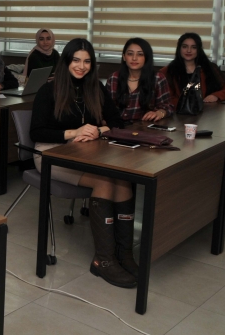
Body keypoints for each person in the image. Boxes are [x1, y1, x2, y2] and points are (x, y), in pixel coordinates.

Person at [30, 39, 136, 289]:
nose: (82, 66)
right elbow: (37, 132)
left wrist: (99, 131)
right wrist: (73, 132)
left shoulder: (95, 88)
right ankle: (103, 260)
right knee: (104, 181)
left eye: (87, 61)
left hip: (86, 153)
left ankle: (124, 254)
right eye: (76, 60)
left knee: (122, 179)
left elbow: (117, 123)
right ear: (66, 61)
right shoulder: (49, 90)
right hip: (50, 154)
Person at [107, 38, 173, 123]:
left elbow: (168, 107)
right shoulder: (113, 78)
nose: (134, 58)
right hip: (118, 127)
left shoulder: (158, 78)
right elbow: (105, 109)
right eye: (130, 54)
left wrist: (160, 113)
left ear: (146, 58)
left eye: (140, 54)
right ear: (124, 57)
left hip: (144, 128)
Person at [160, 32, 225, 106]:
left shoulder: (210, 68)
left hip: (208, 112)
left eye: (194, 47)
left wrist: (215, 95)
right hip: (179, 113)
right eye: (185, 47)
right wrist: (188, 104)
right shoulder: (166, 72)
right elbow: (165, 99)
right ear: (179, 48)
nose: (189, 50)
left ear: (199, 49)